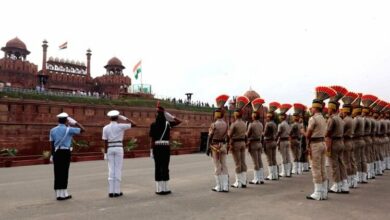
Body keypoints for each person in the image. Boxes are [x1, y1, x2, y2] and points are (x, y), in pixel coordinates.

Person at [306, 86, 336, 200]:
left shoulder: (312, 119)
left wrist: (303, 132)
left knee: (316, 168)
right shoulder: (323, 118)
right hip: (322, 144)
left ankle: (318, 193)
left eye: (312, 108)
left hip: (315, 145)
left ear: (315, 108)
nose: (311, 110)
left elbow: (308, 135)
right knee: (322, 168)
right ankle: (323, 192)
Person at [49, 112, 85, 200]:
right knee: (64, 172)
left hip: (57, 152)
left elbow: (52, 144)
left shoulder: (52, 130)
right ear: (67, 121)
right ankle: (64, 193)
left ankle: (58, 194)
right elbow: (83, 130)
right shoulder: (69, 129)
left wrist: (52, 155)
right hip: (65, 152)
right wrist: (75, 122)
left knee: (57, 173)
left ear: (58, 120)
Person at [102, 110, 137, 198]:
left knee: (111, 169)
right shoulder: (121, 126)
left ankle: (111, 191)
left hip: (110, 148)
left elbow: (105, 142)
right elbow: (134, 124)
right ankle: (117, 191)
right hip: (118, 147)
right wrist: (124, 118)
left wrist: (105, 153)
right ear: (117, 117)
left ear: (109, 118)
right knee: (117, 169)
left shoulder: (105, 128)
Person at [149, 102, 182, 195]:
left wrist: (151, 150)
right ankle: (166, 188)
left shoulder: (153, 125)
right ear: (164, 115)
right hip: (165, 147)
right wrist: (170, 116)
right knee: (165, 167)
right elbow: (179, 121)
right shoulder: (167, 124)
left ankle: (159, 189)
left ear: (156, 115)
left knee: (158, 167)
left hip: (156, 147)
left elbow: (152, 139)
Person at [326, 86, 349, 193]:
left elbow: (328, 132)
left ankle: (336, 185)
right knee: (341, 163)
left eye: (329, 108)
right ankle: (344, 184)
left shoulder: (332, 119)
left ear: (332, 108)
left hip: (334, 143)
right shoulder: (340, 118)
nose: (327, 109)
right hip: (341, 142)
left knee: (334, 165)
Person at [207, 94, 229, 192]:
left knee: (217, 166)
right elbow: (227, 136)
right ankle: (225, 186)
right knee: (224, 165)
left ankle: (219, 186)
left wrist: (207, 147)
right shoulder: (226, 124)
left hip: (215, 146)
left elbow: (210, 136)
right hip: (223, 145)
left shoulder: (214, 124)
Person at [229, 96, 250, 188]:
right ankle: (244, 181)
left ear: (236, 114)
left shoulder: (235, 124)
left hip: (236, 144)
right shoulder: (244, 124)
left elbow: (230, 135)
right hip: (242, 143)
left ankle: (238, 182)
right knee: (243, 162)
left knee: (237, 162)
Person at [340, 92, 359, 188]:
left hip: (346, 142)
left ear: (345, 111)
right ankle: (354, 181)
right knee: (352, 161)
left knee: (346, 162)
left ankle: (347, 181)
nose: (342, 112)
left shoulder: (345, 120)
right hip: (351, 141)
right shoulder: (351, 119)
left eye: (343, 110)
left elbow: (340, 131)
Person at [246, 98, 265, 184]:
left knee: (255, 161)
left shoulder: (251, 125)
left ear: (253, 116)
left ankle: (256, 179)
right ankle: (261, 178)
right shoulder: (261, 124)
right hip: (259, 143)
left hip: (253, 143)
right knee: (260, 161)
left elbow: (248, 135)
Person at [352, 94, 367, 184]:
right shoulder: (362, 119)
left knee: (356, 159)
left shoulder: (356, 120)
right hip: (362, 139)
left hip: (356, 140)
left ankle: (358, 177)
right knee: (362, 159)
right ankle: (363, 177)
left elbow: (352, 131)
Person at [264, 102, 279, 180]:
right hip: (274, 141)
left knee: (269, 159)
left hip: (268, 141)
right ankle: (275, 174)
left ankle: (271, 175)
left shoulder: (268, 124)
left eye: (267, 117)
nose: (266, 118)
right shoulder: (274, 124)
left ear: (269, 117)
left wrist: (262, 133)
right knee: (274, 158)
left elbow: (265, 133)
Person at [277, 103, 292, 177]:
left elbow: (278, 133)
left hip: (282, 141)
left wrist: (276, 140)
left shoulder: (281, 125)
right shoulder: (287, 124)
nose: (279, 117)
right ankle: (288, 172)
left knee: (283, 157)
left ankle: (284, 172)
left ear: (282, 117)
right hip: (287, 140)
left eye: (280, 116)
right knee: (288, 156)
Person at [290, 103, 305, 175]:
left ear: (294, 117)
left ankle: (294, 169)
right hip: (299, 140)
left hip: (293, 140)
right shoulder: (300, 125)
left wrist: (290, 140)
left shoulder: (294, 125)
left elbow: (290, 133)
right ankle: (299, 170)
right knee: (298, 155)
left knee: (294, 155)